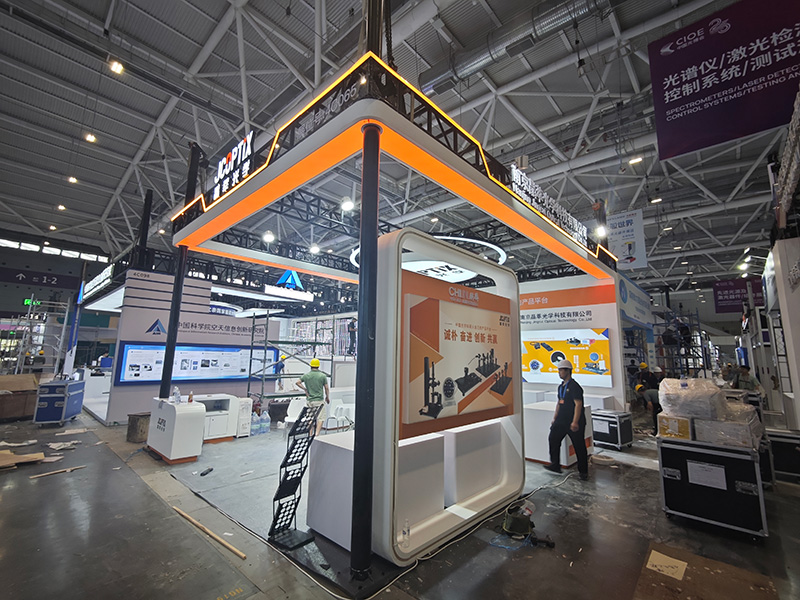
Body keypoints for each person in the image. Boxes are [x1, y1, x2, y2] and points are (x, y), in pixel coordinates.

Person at [544, 359, 588, 481]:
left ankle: (583, 472)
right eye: (558, 370)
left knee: (579, 446)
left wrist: (575, 421)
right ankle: (555, 465)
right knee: (553, 438)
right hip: (561, 420)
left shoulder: (574, 386)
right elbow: (559, 402)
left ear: (567, 371)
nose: (559, 373)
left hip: (574, 421)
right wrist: (555, 418)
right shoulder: (560, 387)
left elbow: (578, 404)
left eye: (561, 370)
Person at [296, 358, 330, 435]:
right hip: (319, 400)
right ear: (318, 366)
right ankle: (317, 434)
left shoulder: (306, 375)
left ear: (311, 366)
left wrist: (305, 389)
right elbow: (326, 388)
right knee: (321, 417)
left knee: (310, 418)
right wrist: (327, 397)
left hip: (309, 400)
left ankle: (310, 434)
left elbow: (297, 382)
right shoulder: (322, 376)